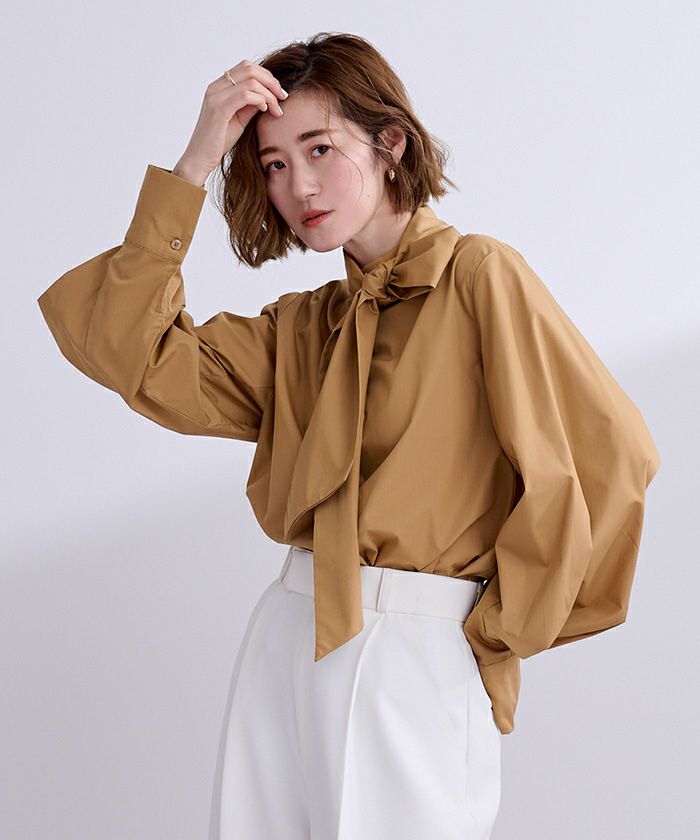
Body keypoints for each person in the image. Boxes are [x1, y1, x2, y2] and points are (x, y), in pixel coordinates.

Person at [36, 31, 661, 840]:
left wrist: (495, 634)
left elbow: (616, 457)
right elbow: (128, 353)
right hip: (285, 638)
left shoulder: (479, 277)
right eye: (272, 164)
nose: (297, 185)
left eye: (319, 149)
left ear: (390, 142)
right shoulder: (303, 328)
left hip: (417, 650)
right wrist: (193, 164)